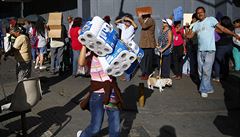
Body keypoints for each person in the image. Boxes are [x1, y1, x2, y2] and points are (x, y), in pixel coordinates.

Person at [186, 7, 240, 98]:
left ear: (204, 12)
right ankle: (208, 87)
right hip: (200, 50)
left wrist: (234, 34)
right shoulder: (196, 25)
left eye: (201, 12)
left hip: (210, 50)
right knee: (200, 71)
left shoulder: (211, 20)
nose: (200, 14)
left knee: (206, 70)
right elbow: (190, 36)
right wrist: (187, 32)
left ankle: (203, 89)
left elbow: (222, 29)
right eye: (198, 13)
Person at [77, 46, 123, 137]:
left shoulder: (110, 53)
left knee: (115, 126)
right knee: (95, 127)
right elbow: (81, 63)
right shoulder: (90, 55)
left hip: (111, 92)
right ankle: (83, 135)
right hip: (97, 94)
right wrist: (84, 45)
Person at [115, 15, 138, 81]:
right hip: (123, 45)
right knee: (124, 60)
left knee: (129, 61)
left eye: (128, 21)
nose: (126, 22)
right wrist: (122, 19)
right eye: (126, 21)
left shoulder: (132, 27)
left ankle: (127, 76)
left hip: (129, 46)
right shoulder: (123, 26)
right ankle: (126, 75)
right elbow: (116, 22)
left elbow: (136, 26)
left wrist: (130, 20)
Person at [213, 16, 234, 82]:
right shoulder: (232, 27)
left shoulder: (220, 29)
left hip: (221, 46)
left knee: (217, 62)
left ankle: (217, 77)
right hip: (230, 46)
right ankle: (225, 76)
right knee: (226, 61)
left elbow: (215, 30)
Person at [138, 13, 156, 80]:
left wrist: (140, 18)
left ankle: (147, 74)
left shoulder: (150, 20)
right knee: (143, 60)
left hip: (149, 44)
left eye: (143, 15)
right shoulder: (145, 21)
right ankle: (144, 72)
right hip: (144, 44)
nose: (141, 16)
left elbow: (144, 26)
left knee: (148, 61)